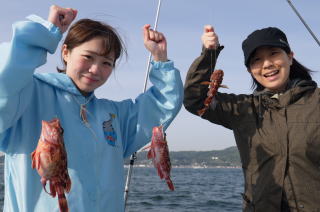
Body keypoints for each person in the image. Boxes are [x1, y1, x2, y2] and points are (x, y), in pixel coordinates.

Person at [0, 5, 183, 212]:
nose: (96, 69)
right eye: (88, 57)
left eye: (107, 63)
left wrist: (160, 59)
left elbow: (162, 105)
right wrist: (46, 32)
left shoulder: (114, 117)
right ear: (66, 52)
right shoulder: (27, 96)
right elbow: (6, 77)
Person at [184, 25, 320, 211]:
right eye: (256, 59)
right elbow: (195, 100)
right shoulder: (243, 108)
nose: (267, 64)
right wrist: (209, 55)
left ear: (290, 56)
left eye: (274, 53)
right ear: (249, 70)